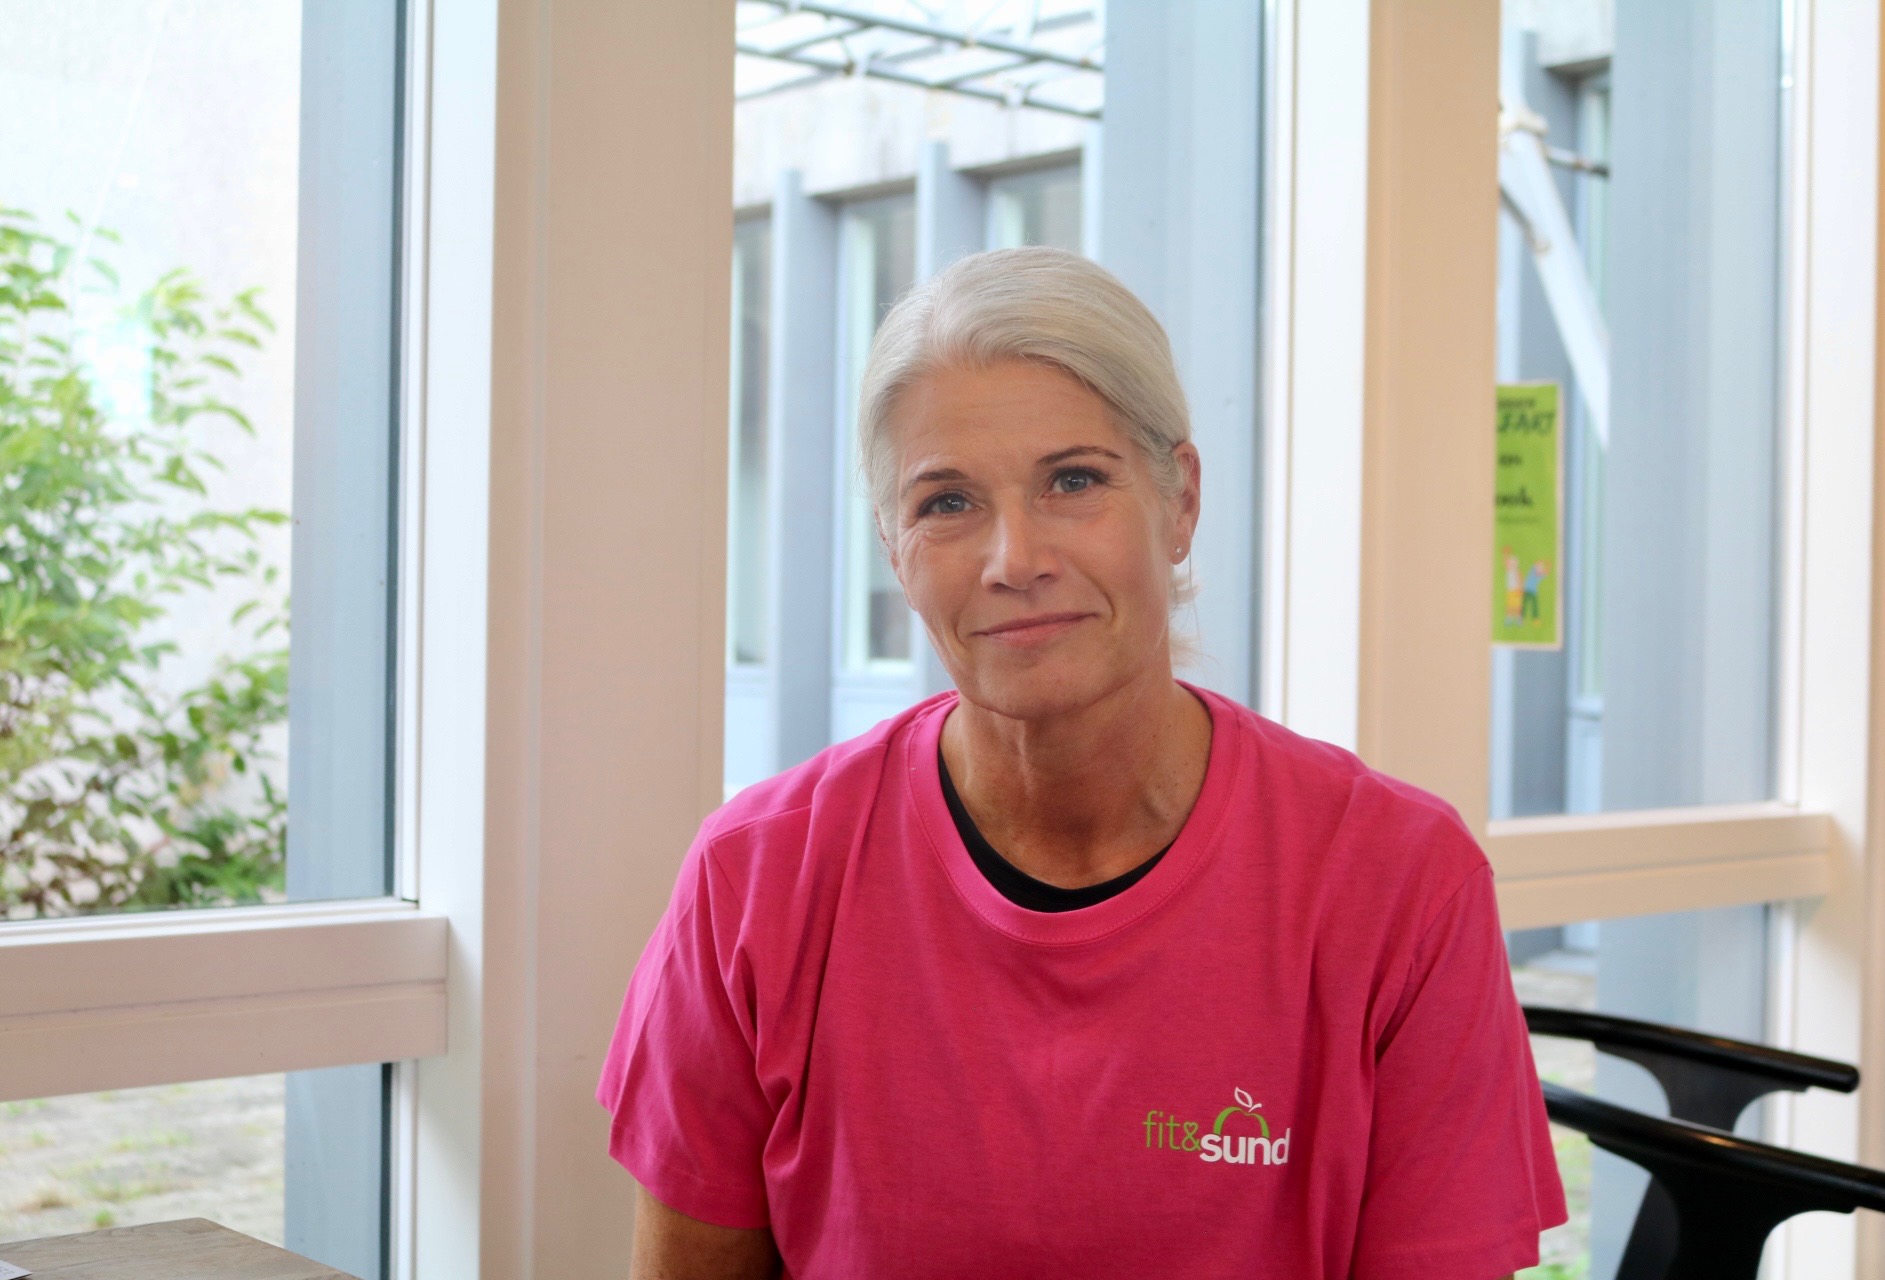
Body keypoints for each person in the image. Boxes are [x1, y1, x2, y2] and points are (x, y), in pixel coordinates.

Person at [599, 247, 1566, 1279]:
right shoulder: (756, 878)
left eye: (1073, 480)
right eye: (947, 502)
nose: (1015, 559)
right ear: (892, 548)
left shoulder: (1399, 882)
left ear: (1180, 502)